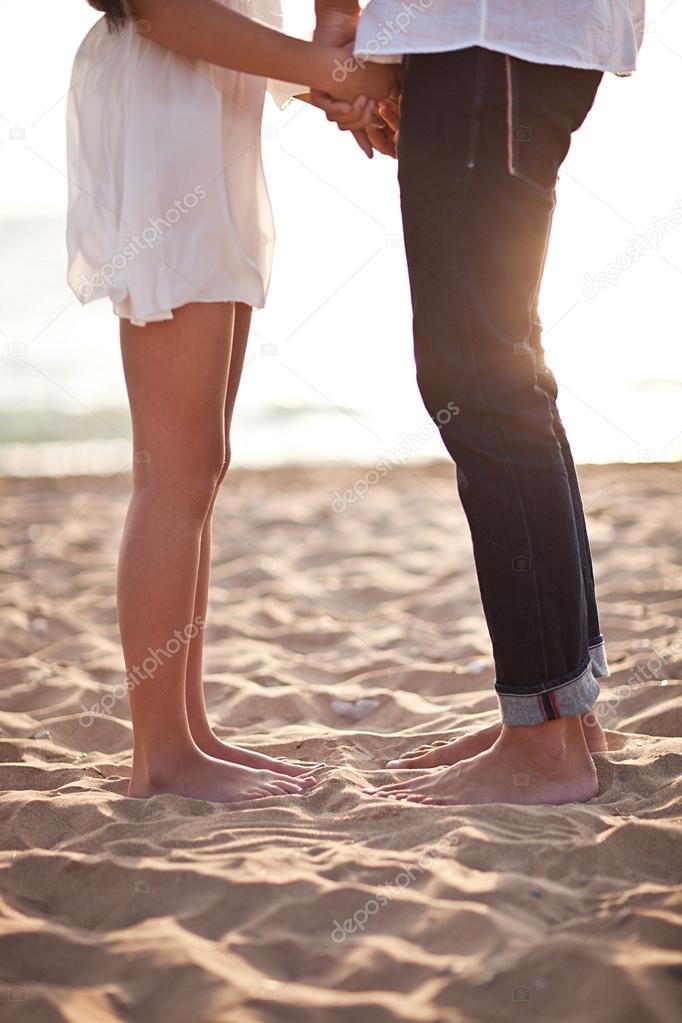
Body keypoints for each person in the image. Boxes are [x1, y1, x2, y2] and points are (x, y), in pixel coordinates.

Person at [312, 0, 645, 805]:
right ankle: (563, 710)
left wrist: (342, 25)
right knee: (506, 363)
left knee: (478, 376)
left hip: (483, 31)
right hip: (495, 36)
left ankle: (542, 743)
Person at [67, 0, 399, 802]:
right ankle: (162, 756)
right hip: (167, 120)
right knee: (172, 472)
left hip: (209, 111)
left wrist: (336, 38)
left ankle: (187, 730)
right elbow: (160, 10)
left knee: (203, 463)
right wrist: (339, 72)